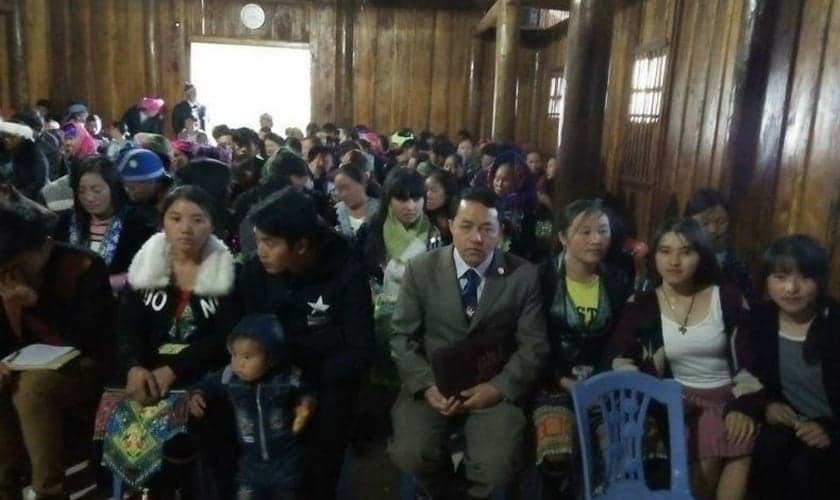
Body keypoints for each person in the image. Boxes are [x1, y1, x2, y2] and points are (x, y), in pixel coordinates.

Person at [388, 188, 550, 500]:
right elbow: (400, 337)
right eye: (466, 226)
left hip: (492, 387)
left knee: (497, 466)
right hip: (433, 386)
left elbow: (533, 346)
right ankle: (434, 488)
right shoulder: (421, 269)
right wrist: (425, 386)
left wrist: (499, 388)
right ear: (450, 225)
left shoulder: (522, 275)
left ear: (500, 231)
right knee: (412, 451)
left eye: (487, 228)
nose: (476, 238)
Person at [607, 218, 763, 500]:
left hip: (732, 399)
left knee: (742, 439)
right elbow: (622, 362)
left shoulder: (726, 298)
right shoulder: (642, 305)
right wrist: (657, 399)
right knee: (701, 475)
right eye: (665, 251)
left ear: (701, 255)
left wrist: (743, 406)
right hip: (679, 404)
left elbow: (750, 363)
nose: (674, 261)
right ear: (653, 256)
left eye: (686, 252)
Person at [234, 187, 374, 500]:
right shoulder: (256, 272)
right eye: (258, 241)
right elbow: (247, 335)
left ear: (301, 246)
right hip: (268, 378)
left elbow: (360, 350)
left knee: (321, 452)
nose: (261, 252)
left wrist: (306, 381)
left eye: (270, 243)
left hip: (327, 382)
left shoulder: (346, 270)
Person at [0, 187, 115, 499]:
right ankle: (7, 483)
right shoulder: (5, 275)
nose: (11, 276)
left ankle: (49, 490)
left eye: (17, 266)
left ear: (44, 246)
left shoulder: (84, 266)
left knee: (33, 388)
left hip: (85, 365)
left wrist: (36, 304)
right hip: (23, 364)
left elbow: (94, 338)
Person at [532, 200, 633, 496]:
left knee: (626, 442)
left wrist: (600, 381)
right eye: (585, 231)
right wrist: (562, 380)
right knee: (557, 450)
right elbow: (535, 340)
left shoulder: (617, 279)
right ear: (563, 237)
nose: (596, 239)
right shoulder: (543, 278)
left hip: (604, 382)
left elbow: (620, 339)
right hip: (552, 382)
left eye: (603, 231)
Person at [750, 235, 840, 499]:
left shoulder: (834, 324)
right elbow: (748, 375)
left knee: (807, 471)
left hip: (831, 430)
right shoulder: (761, 319)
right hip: (789, 426)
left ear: (820, 281)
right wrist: (767, 405)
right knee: (767, 451)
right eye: (780, 277)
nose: (791, 288)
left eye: (804, 277)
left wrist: (832, 431)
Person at [189, 314, 316, 500]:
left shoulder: (286, 378)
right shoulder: (230, 377)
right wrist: (197, 394)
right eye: (234, 354)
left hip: (286, 464)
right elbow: (207, 384)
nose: (238, 363)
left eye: (248, 356)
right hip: (250, 466)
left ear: (271, 357)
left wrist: (305, 406)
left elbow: (307, 390)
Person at [54, 156, 156, 292]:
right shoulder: (66, 221)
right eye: (82, 191)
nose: (89, 198)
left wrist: (106, 284)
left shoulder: (139, 223)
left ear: (114, 188)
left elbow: (148, 272)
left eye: (97, 190)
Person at [358, 168, 442, 297]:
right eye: (402, 199)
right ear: (389, 200)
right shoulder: (370, 231)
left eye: (416, 199)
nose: (410, 206)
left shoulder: (433, 235)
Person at [684, 189, 753, 299]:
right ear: (688, 224)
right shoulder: (677, 259)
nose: (713, 229)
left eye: (721, 222)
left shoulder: (737, 264)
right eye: (704, 222)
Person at [115, 146, 173, 227]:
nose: (128, 192)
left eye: (132, 188)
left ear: (152, 182)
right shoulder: (137, 203)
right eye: (125, 187)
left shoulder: (176, 205)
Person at [0, 121, 48, 201]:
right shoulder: (16, 152)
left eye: (11, 137)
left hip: (36, 200)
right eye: (4, 136)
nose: (6, 140)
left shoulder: (34, 152)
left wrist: (17, 196)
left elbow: (39, 182)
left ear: (21, 137)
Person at [334, 163, 379, 239]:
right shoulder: (336, 212)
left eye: (347, 188)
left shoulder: (380, 209)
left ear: (363, 184)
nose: (343, 194)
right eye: (339, 189)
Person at [424, 169, 458, 246]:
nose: (427, 195)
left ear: (447, 194)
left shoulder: (457, 217)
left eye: (434, 190)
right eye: (425, 190)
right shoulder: (420, 217)